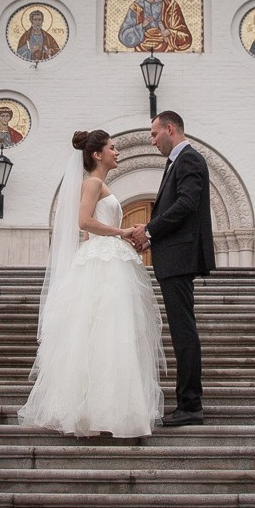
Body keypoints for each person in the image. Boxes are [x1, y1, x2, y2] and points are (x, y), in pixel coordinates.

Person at [18, 129, 162, 439]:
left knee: (111, 333)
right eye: (112, 148)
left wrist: (116, 236)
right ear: (97, 154)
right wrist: (121, 232)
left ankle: (107, 408)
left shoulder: (101, 184)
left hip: (107, 256)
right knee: (104, 331)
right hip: (102, 260)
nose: (117, 152)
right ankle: (96, 410)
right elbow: (83, 222)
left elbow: (88, 227)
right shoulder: (93, 183)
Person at [133, 109, 212, 426]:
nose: (152, 140)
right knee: (182, 331)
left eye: (154, 134)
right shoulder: (178, 161)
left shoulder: (189, 159)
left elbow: (187, 203)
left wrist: (150, 231)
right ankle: (188, 402)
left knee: (183, 332)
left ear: (170, 129)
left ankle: (190, 405)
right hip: (173, 257)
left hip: (180, 259)